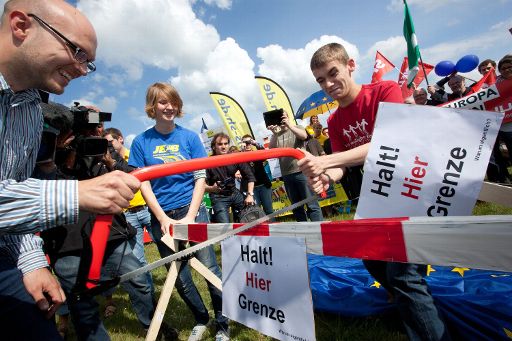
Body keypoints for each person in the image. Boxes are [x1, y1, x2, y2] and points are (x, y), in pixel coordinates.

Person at [0, 1, 139, 339]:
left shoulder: (32, 112)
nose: (80, 69)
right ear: (21, 26)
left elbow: (14, 188)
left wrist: (31, 262)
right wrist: (77, 193)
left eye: (87, 62)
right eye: (77, 51)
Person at [298, 42, 450, 341]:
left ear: (350, 65)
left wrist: (327, 161)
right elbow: (343, 167)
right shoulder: (334, 120)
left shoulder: (385, 91)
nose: (328, 84)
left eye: (333, 74)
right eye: (320, 80)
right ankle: (411, 310)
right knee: (370, 255)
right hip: (380, 197)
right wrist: (326, 177)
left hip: (415, 188)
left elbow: (390, 141)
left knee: (403, 274)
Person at [36, 102, 177, 341]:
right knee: (82, 302)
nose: (97, 130)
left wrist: (110, 161)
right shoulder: (52, 148)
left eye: (100, 125)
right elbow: (42, 186)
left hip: (110, 232)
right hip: (67, 240)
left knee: (139, 281)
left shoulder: (103, 149)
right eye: (91, 126)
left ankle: (155, 328)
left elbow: (134, 177)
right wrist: (65, 153)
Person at [129, 83, 230, 341]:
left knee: (209, 266)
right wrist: (162, 217)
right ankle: (201, 319)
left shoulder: (189, 138)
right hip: (160, 215)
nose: (170, 107)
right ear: (153, 106)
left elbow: (199, 177)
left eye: (173, 101)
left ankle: (223, 324)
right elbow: (143, 183)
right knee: (180, 275)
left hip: (191, 209)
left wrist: (191, 215)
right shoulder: (141, 142)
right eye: (163, 102)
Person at [104, 127, 154, 295]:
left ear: (121, 139)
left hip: (148, 209)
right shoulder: (107, 164)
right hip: (129, 215)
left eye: (110, 142)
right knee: (138, 259)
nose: (108, 146)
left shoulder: (135, 156)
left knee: (168, 249)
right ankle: (150, 296)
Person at [268, 111, 323, 222]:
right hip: (287, 175)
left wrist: (289, 125)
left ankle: (319, 229)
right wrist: (274, 133)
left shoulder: (297, 127)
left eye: (283, 116)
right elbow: (271, 150)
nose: (282, 119)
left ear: (288, 117)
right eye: (279, 118)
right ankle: (304, 233)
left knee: (311, 204)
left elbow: (303, 136)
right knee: (297, 207)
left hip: (302, 171)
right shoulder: (276, 134)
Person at [205, 132, 256, 223]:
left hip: (234, 192)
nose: (224, 147)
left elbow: (250, 177)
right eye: (220, 144)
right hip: (218, 197)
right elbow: (201, 186)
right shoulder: (207, 162)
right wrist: (212, 188)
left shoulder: (235, 157)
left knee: (251, 217)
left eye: (226, 143)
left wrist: (250, 195)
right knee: (225, 228)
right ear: (214, 146)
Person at [240, 134, 274, 216]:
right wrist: (242, 151)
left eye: (249, 142)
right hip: (251, 189)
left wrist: (256, 144)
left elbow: (266, 154)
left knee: (269, 210)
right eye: (246, 142)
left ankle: (272, 228)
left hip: (263, 185)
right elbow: (238, 164)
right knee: (255, 212)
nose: (248, 144)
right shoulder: (240, 155)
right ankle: (260, 229)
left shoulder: (257, 153)